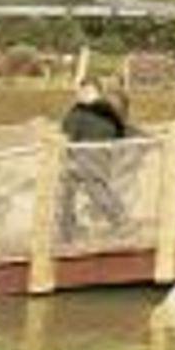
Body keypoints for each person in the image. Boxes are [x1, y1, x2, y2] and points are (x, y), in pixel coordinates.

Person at [58, 82, 131, 241]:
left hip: (83, 153)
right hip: (104, 152)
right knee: (88, 187)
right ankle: (67, 227)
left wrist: (66, 155)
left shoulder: (79, 112)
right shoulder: (109, 111)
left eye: (82, 91)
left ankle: (119, 220)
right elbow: (120, 132)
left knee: (90, 188)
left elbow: (67, 135)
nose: (79, 94)